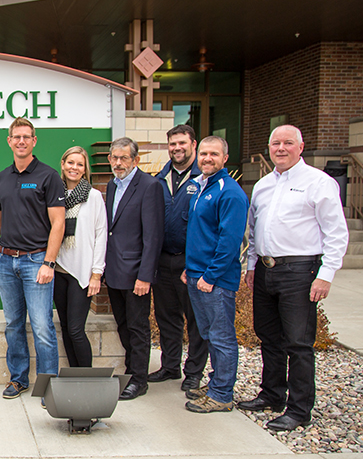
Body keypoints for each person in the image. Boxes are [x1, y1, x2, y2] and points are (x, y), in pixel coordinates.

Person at [240, 125, 349, 431]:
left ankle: (299, 409)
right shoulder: (262, 185)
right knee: (269, 336)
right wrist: (250, 266)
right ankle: (272, 394)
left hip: (300, 271)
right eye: (276, 143)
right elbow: (253, 230)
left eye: (288, 143)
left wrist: (325, 274)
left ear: (301, 147)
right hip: (264, 268)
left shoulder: (318, 183)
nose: (281, 148)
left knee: (299, 342)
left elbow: (336, 232)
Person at [0, 117, 66, 399]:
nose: (21, 141)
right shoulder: (1, 179)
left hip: (36, 262)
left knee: (42, 326)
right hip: (6, 262)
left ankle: (48, 386)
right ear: (9, 141)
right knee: (13, 324)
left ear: (34, 141)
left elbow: (58, 223)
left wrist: (49, 262)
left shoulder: (48, 176)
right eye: (16, 137)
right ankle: (18, 379)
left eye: (26, 136)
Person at [180, 136, 249, 412]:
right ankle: (217, 382)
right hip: (197, 275)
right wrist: (191, 268)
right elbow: (201, 235)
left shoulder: (229, 192)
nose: (207, 158)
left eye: (214, 154)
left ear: (225, 158)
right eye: (204, 153)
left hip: (215, 280)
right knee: (209, 334)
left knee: (221, 337)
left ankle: (221, 395)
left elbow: (229, 242)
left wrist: (210, 276)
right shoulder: (202, 187)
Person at [104, 137, 164, 400]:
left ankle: (139, 380)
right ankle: (131, 372)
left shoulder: (149, 186)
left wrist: (145, 276)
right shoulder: (111, 185)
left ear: (135, 160)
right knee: (123, 325)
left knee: (138, 327)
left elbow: (153, 236)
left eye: (124, 158)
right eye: (114, 158)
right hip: (115, 271)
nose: (118, 163)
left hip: (136, 274)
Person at [150, 125, 209, 391]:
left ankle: (194, 371)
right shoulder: (161, 179)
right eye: (172, 144)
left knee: (195, 320)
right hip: (163, 260)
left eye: (182, 143)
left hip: (191, 262)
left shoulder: (203, 178)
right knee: (167, 318)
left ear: (193, 144)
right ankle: (170, 366)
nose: (177, 148)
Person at [52, 146, 106, 367]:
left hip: (81, 273)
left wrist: (96, 274)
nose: (74, 167)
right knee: (65, 327)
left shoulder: (93, 197)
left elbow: (100, 235)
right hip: (58, 270)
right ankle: (76, 375)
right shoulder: (54, 194)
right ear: (63, 165)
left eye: (79, 164)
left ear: (85, 170)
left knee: (76, 329)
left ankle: (88, 378)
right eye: (70, 163)